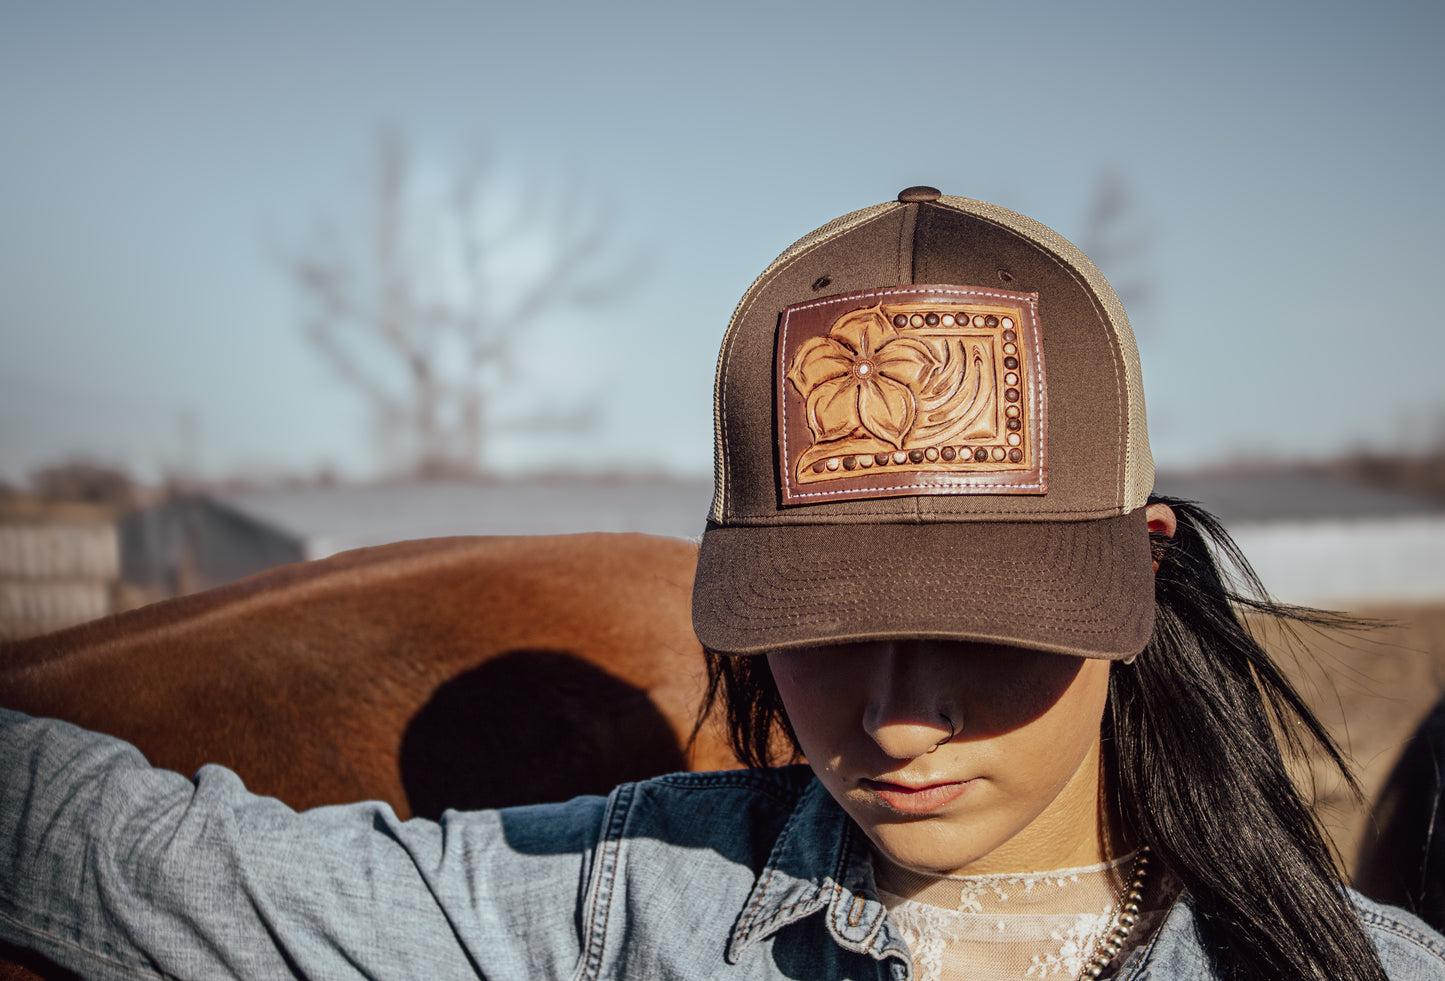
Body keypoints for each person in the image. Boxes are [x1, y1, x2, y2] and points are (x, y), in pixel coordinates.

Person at [1, 187, 1442, 981]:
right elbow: (134, 862)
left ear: (1136, 574)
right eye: (818, 633)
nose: (893, 718)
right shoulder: (614, 903)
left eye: (982, 627)